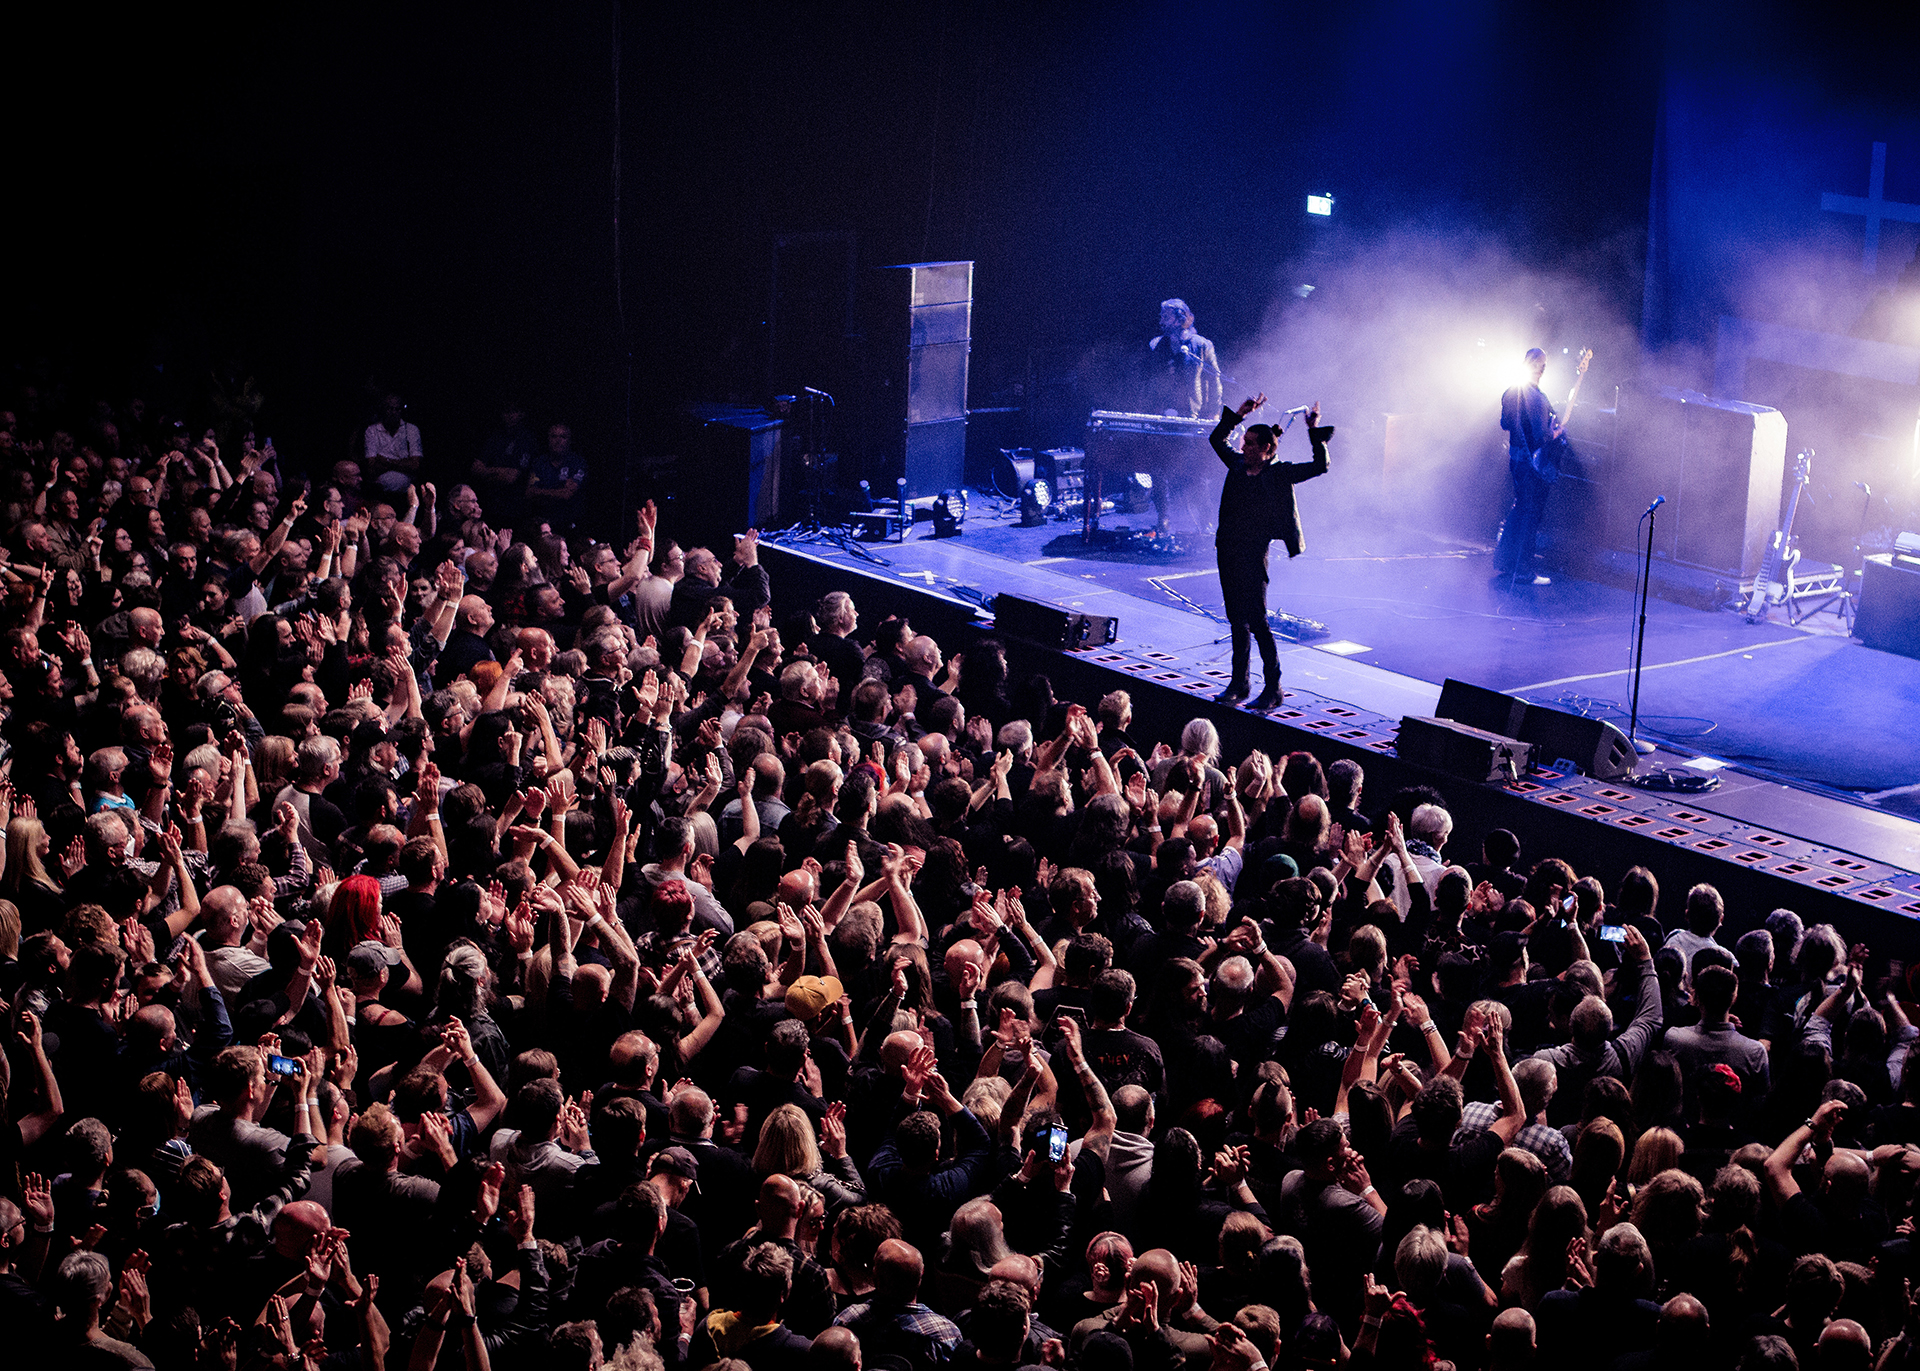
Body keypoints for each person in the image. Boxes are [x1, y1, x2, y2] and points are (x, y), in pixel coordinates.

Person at [1208, 393, 1332, 711]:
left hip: (1253, 554)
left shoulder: (1279, 473)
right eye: (1244, 441)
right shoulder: (1236, 466)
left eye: (1250, 443)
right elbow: (1216, 438)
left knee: (1257, 621)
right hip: (1228, 549)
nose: (1243, 447)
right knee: (1237, 619)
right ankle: (1239, 684)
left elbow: (1321, 465)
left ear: (1267, 448)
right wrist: (1240, 415)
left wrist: (1313, 430)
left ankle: (1273, 688)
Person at [1142, 298, 1222, 533]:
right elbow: (1149, 381)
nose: (1161, 320)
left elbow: (1214, 380)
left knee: (1195, 472)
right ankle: (1163, 519)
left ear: (1180, 319)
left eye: (1165, 316)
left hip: (1191, 417)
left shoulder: (1201, 345)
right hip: (1162, 417)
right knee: (1159, 470)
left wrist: (1215, 411)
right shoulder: (1157, 345)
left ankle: (1205, 520)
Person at [1494, 349, 1557, 588]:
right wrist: (1554, 433)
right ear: (1541, 368)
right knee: (1529, 514)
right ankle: (1524, 570)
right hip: (1531, 464)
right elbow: (1542, 436)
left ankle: (1508, 562)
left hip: (1516, 460)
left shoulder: (1512, 391)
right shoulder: (1538, 398)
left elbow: (1504, 423)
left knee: (1520, 509)